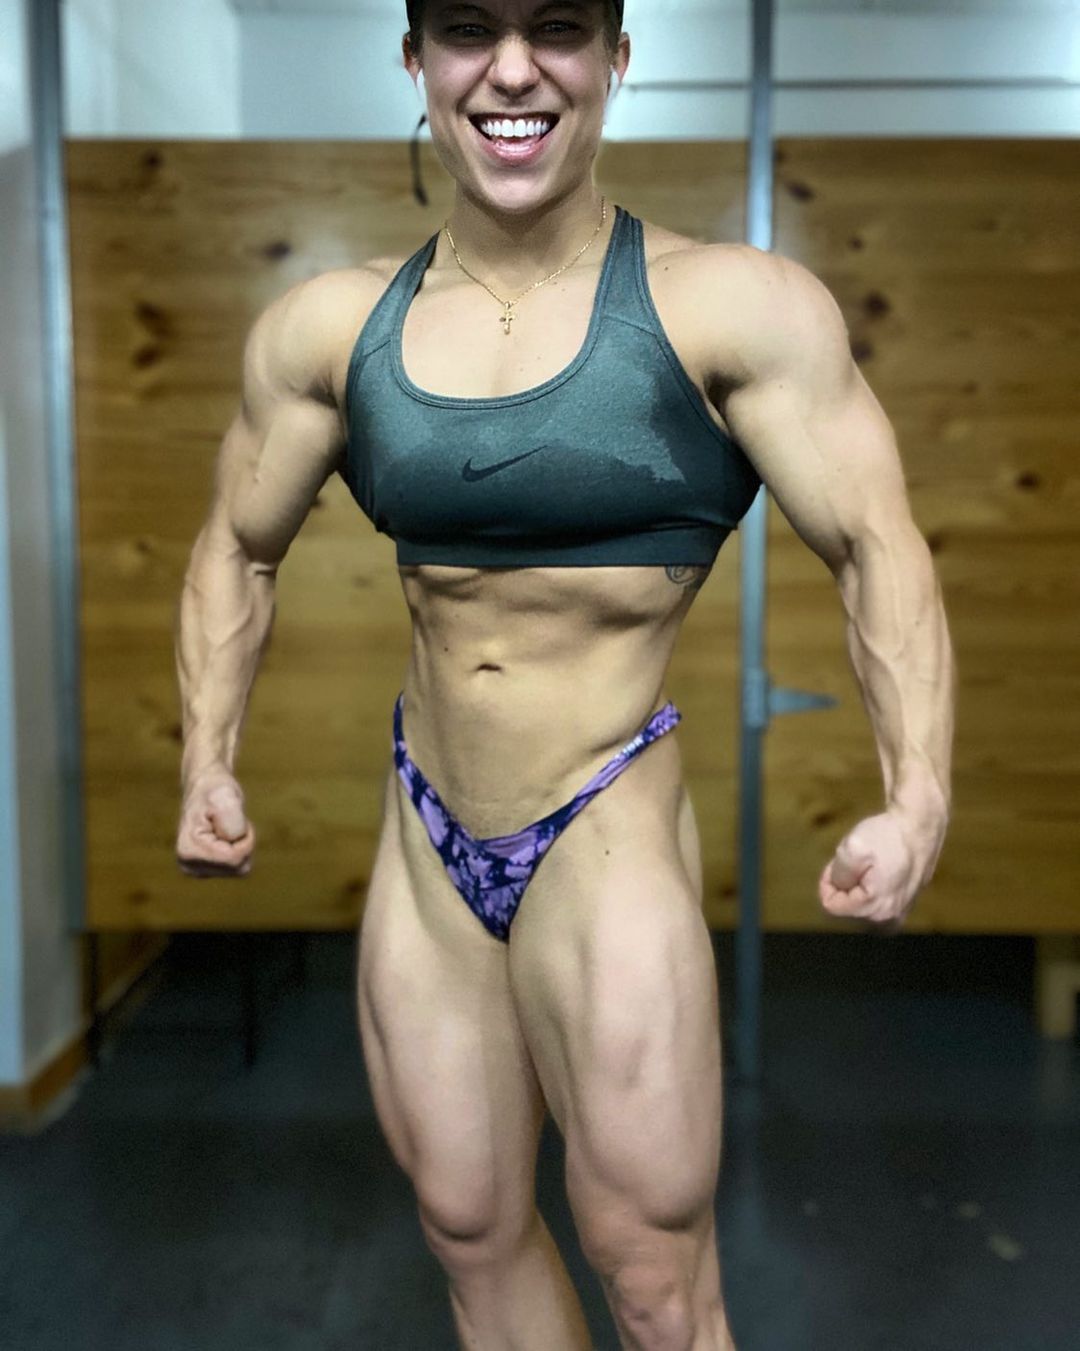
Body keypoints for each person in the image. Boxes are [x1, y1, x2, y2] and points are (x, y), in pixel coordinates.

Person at [174, 1, 955, 1346]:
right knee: (469, 1230)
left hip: (602, 820)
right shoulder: (330, 329)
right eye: (468, 28)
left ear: (617, 57)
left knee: (651, 1272)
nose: (512, 68)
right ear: (415, 60)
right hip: (428, 832)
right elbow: (234, 548)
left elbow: (877, 546)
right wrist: (206, 756)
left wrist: (918, 794)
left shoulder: (731, 308)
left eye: (557, 26)